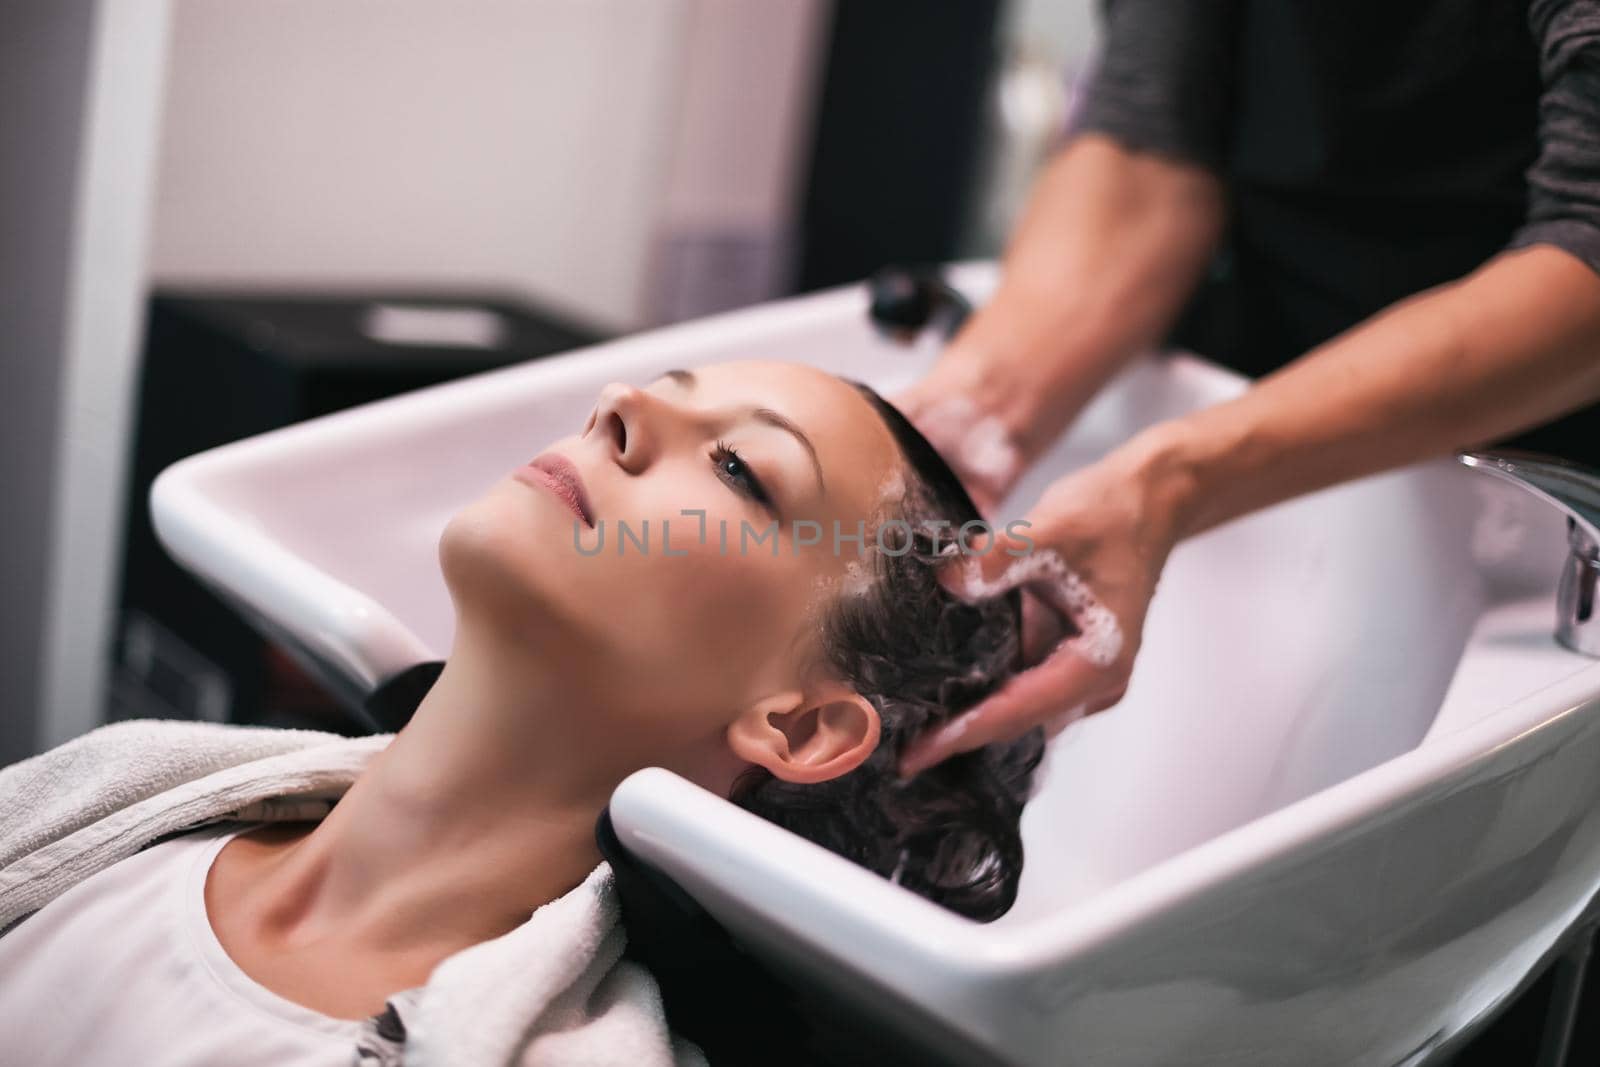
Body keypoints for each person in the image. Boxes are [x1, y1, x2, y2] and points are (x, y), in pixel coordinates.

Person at [0, 360, 1042, 1065]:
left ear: (802, 726)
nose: (621, 407)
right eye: (661, 390)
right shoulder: (115, 797)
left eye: (739, 468)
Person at [893, 0, 1600, 779]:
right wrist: (981, 409)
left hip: (1536, 494)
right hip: (1259, 368)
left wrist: (1173, 478)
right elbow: (1149, 136)